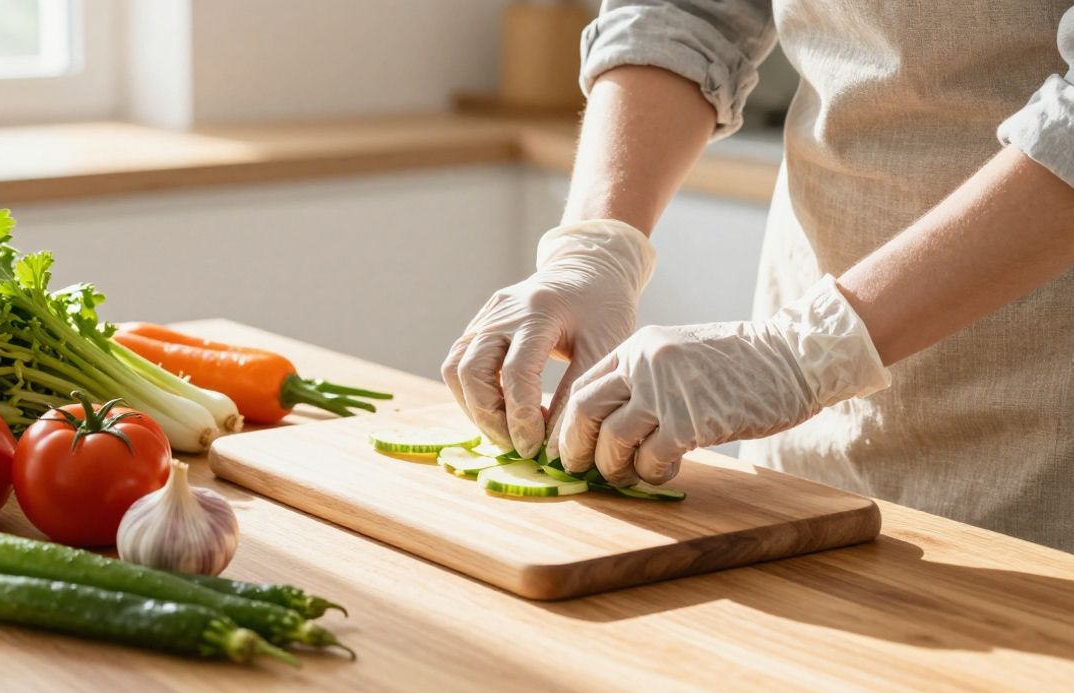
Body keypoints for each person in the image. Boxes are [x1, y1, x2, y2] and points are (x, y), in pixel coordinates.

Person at [442, 2, 1074, 551]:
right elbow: (684, 9)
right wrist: (595, 246)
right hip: (806, 433)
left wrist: (804, 352)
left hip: (1047, 433)